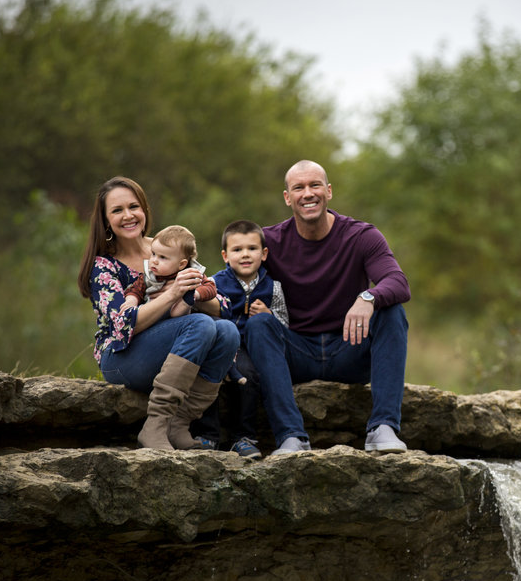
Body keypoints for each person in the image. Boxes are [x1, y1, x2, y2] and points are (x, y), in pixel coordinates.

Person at [246, 160, 411, 455]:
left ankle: (382, 428)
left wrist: (368, 298)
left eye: (315, 185)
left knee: (392, 310)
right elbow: (229, 280)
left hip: (350, 349)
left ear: (329, 191)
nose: (308, 193)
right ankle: (291, 437)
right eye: (299, 188)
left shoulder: (361, 236)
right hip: (296, 353)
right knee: (259, 325)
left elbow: (398, 282)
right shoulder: (268, 241)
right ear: (287, 197)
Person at [77, 176, 240, 450]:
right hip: (122, 357)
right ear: (106, 221)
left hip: (175, 349)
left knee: (227, 331)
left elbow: (223, 306)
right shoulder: (103, 266)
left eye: (134, 206)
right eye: (117, 210)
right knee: (200, 325)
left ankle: (178, 424)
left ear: (144, 210)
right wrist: (173, 294)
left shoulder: (167, 246)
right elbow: (123, 326)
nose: (128, 215)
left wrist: (194, 294)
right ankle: (155, 427)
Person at [192, 219, 290, 459]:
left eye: (252, 249)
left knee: (249, 375)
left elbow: (284, 325)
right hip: (220, 347)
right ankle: (207, 435)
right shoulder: (214, 284)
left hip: (251, 350)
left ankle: (243, 437)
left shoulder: (273, 287)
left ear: (264, 254)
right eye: (237, 250)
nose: (245, 255)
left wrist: (269, 316)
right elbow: (199, 316)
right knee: (206, 372)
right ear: (225, 255)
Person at [120, 225, 217, 316]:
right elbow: (135, 290)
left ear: (181, 264)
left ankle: (183, 304)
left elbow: (211, 287)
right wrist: (131, 300)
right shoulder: (149, 276)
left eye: (162, 257)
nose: (154, 261)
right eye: (153, 254)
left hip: (185, 314)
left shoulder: (191, 273)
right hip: (156, 316)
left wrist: (195, 294)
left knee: (225, 325)